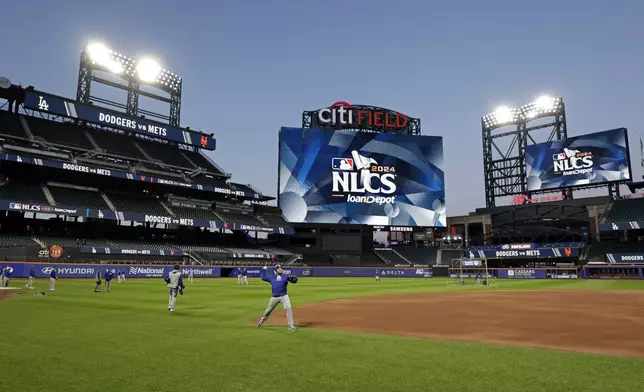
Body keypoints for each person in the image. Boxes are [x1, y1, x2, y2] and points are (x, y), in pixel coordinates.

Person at [257, 264, 298, 331]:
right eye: (279, 268)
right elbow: (262, 277)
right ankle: (261, 321)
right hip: (274, 297)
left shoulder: (285, 276)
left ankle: (291, 326)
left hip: (284, 296)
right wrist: (263, 269)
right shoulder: (271, 277)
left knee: (288, 308)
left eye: (281, 268)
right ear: (276, 270)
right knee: (268, 310)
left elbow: (292, 280)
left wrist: (294, 280)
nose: (281, 269)